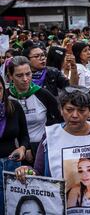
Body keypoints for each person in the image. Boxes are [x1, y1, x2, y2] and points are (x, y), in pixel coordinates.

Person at [15, 86, 90, 215]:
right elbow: (38, 172)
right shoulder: (51, 136)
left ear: (89, 111)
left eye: (81, 110)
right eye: (69, 110)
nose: (75, 115)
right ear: (61, 110)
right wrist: (26, 171)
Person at [7, 56, 62, 163]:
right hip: (13, 151)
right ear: (10, 76)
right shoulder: (5, 96)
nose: (25, 79)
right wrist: (24, 147)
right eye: (19, 75)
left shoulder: (43, 94)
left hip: (40, 148)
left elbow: (59, 120)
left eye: (28, 74)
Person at [0, 75, 30, 213]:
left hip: (11, 164)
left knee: (13, 206)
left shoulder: (14, 107)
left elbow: (24, 135)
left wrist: (23, 148)